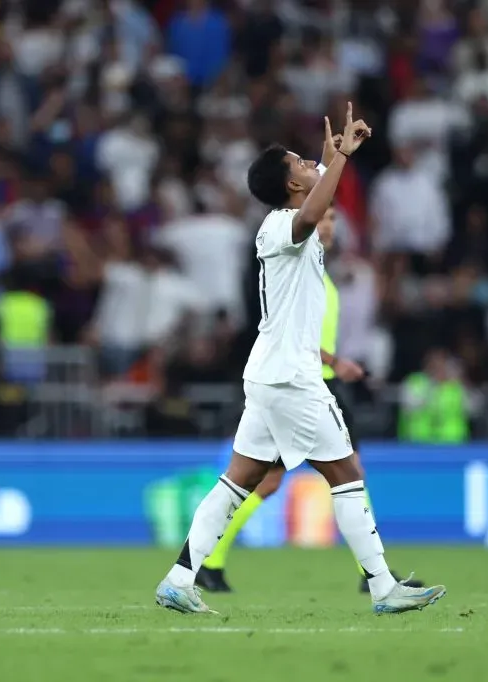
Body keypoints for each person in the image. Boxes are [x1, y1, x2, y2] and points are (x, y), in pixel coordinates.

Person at [154, 103, 446, 615]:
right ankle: (383, 587)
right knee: (346, 472)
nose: (311, 163)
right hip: (292, 380)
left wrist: (330, 160)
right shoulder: (280, 225)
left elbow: (315, 207)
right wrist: (341, 162)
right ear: (291, 187)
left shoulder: (289, 224)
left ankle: (179, 578)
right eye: (301, 163)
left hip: (272, 377)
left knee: (236, 481)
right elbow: (313, 211)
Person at [195, 205, 424, 595]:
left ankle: (206, 564)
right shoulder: (301, 272)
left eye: (334, 218)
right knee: (346, 477)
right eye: (323, 218)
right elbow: (289, 335)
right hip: (307, 387)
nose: (330, 225)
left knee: (267, 483)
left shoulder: (319, 274)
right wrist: (336, 361)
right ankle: (373, 575)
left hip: (314, 385)